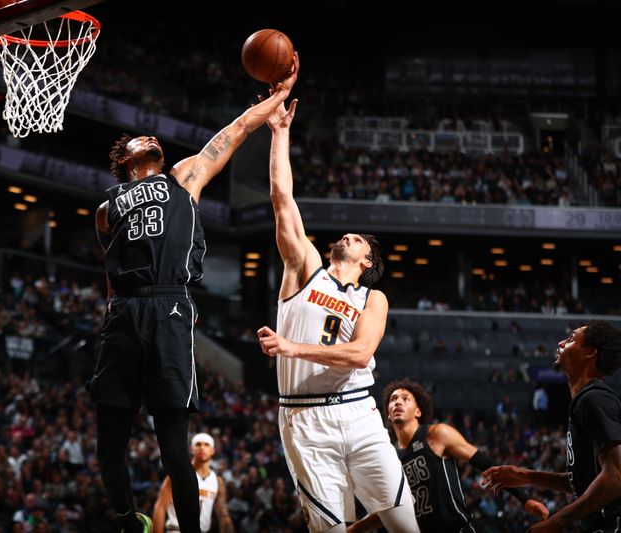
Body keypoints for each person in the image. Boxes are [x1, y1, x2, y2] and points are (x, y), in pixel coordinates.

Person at [89, 54, 299, 533]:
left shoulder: (184, 176)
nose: (155, 139)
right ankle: (129, 522)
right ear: (126, 159)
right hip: (124, 312)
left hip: (170, 307)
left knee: (174, 448)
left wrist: (278, 98)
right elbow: (110, 271)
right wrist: (115, 310)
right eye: (145, 140)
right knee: (108, 446)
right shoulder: (106, 209)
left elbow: (233, 132)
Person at [255, 96, 418, 532]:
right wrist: (280, 133)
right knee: (331, 529)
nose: (350, 235)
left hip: (358, 413)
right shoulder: (304, 269)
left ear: (367, 262)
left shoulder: (373, 298)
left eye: (361, 239)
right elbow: (281, 197)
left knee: (405, 525)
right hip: (304, 419)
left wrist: (289, 346)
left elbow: (362, 354)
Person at [349, 379, 549, 532]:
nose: (398, 402)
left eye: (405, 399)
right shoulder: (390, 457)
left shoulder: (436, 435)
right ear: (388, 414)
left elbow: (486, 463)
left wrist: (524, 499)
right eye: (393, 400)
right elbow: (386, 511)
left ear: (418, 411)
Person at [483, 321, 621, 532]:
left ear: (589, 353)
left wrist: (556, 521)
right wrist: (526, 476)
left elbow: (616, 476)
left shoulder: (594, 399)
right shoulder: (586, 400)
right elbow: (583, 481)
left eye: (571, 339)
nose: (560, 343)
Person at [152, 432, 234, 533]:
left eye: (206, 445)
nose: (202, 448)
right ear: (191, 449)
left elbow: (223, 516)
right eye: (198, 444)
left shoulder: (217, 481)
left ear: (212, 450)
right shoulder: (179, 474)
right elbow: (160, 508)